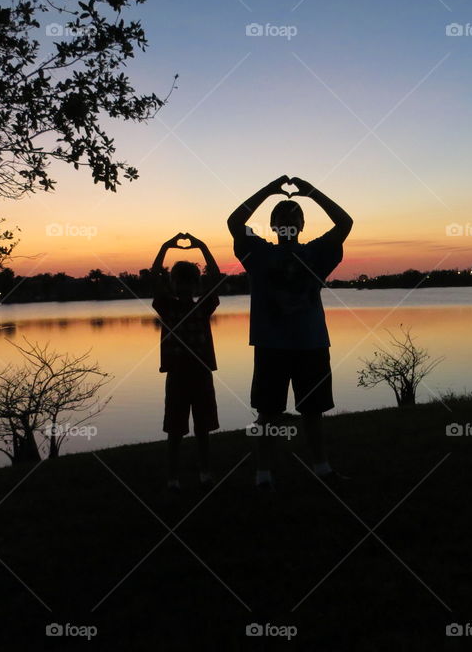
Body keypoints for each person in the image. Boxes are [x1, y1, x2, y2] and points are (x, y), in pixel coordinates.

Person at [227, 176, 353, 490]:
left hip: (311, 344)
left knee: (313, 411)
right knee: (267, 414)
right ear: (272, 225)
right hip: (272, 346)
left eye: (293, 217)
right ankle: (263, 475)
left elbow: (345, 221)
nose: (287, 221)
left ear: (301, 225)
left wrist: (311, 193)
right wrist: (268, 190)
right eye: (281, 218)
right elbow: (234, 220)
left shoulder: (318, 253)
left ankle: (323, 469)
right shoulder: (257, 253)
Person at [151, 233, 222, 490]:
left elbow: (215, 277)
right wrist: (165, 246)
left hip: (201, 373)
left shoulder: (202, 307)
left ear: (195, 285)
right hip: (178, 375)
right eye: (179, 282)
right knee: (175, 430)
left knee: (203, 428)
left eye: (189, 282)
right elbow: (154, 276)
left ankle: (205, 473)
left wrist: (203, 246)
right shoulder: (167, 307)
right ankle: (173, 478)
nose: (184, 287)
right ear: (173, 284)